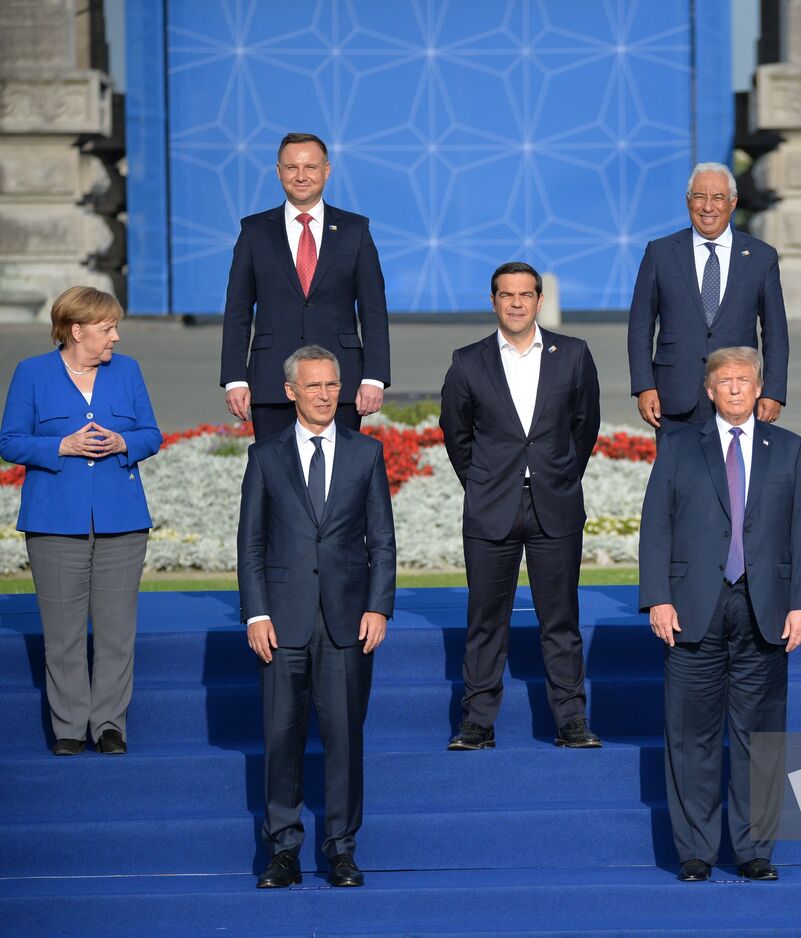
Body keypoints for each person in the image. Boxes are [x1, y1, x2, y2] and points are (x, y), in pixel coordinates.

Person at [639, 346, 801, 882]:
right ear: (709, 389)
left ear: (759, 386)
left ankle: (753, 851)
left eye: (745, 379)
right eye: (726, 380)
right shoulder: (676, 446)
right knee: (690, 736)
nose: (736, 388)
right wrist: (659, 597)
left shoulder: (789, 449)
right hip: (693, 608)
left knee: (760, 737)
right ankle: (695, 851)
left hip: (765, 609)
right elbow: (656, 527)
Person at [237, 345, 396, 889]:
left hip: (349, 622)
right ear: (291, 392)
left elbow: (383, 541)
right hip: (282, 623)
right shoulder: (264, 456)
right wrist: (256, 613)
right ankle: (283, 851)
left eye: (333, 385)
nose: (327, 395)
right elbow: (251, 544)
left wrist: (379, 606)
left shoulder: (366, 454)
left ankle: (342, 850)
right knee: (281, 739)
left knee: (345, 740)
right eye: (315, 386)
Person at [439, 261, 603, 751]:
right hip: (492, 506)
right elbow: (456, 433)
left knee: (561, 618)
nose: (515, 303)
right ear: (493, 301)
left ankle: (570, 719)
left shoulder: (572, 354)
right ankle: (477, 722)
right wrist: (484, 480)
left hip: (555, 503)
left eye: (525, 295)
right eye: (505, 294)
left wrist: (559, 474)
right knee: (486, 619)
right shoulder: (468, 361)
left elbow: (584, 426)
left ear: (538, 300)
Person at [0, 287, 161, 756]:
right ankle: (69, 726)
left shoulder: (127, 371)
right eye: (107, 327)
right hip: (54, 519)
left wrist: (123, 442)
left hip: (122, 519)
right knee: (63, 630)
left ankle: (109, 724)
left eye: (115, 327)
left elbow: (152, 434)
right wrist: (60, 447)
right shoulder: (32, 373)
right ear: (76, 330)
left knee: (115, 631)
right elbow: (9, 441)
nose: (115, 336)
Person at [220, 132, 391, 441]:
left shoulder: (355, 230)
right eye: (291, 168)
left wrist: (375, 377)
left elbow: (374, 311)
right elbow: (237, 312)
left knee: (339, 482)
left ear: (326, 170)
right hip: (272, 383)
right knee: (278, 480)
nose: (301, 176)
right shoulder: (254, 231)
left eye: (310, 167)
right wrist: (235, 379)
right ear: (278, 172)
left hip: (340, 383)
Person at [627, 162, 789, 433]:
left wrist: (773, 391)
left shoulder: (761, 257)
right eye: (699, 196)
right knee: (677, 476)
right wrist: (644, 386)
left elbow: (775, 332)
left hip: (737, 394)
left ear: (733, 202)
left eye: (717, 197)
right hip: (674, 398)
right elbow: (640, 326)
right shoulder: (661, 253)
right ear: (688, 201)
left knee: (734, 475)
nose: (708, 207)